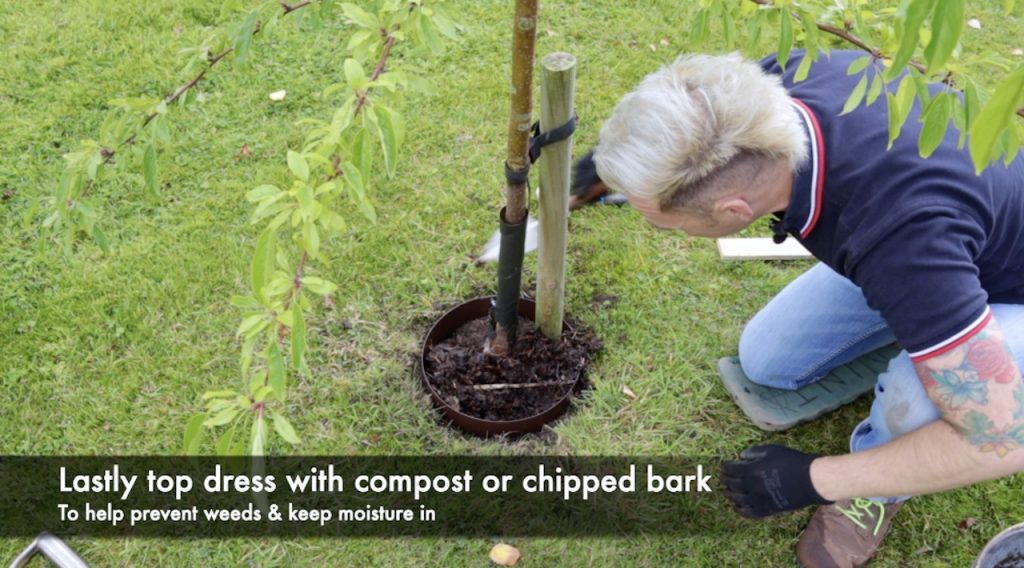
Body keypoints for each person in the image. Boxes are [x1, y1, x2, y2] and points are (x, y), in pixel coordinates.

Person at [582, 49, 1024, 567]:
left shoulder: (901, 243)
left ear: (733, 212)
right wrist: (612, 166)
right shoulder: (777, 83)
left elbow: (1001, 440)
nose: (656, 228)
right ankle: (936, 332)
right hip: (951, 242)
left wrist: (816, 477)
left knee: (921, 395)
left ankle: (876, 485)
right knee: (769, 360)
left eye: (661, 222)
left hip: (999, 277)